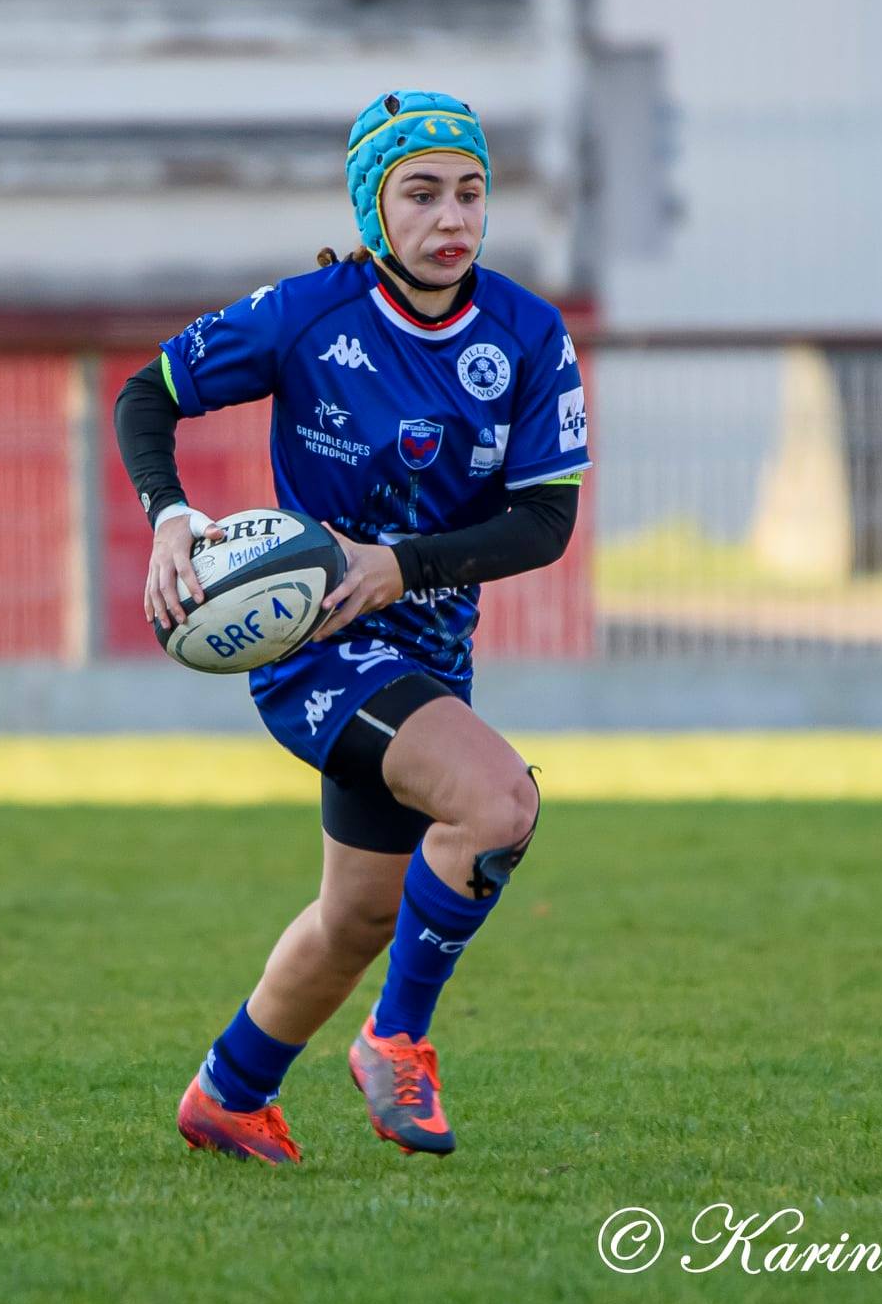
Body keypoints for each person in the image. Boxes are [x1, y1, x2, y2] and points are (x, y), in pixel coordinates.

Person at [112, 90, 590, 1163]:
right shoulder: (308, 315)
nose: (451, 217)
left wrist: (405, 568)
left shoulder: (526, 334)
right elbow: (148, 395)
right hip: (318, 650)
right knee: (498, 802)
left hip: (426, 656)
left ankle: (230, 1094)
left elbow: (546, 521)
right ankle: (396, 1040)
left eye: (470, 192)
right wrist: (171, 517)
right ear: (374, 209)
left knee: (361, 915)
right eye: (420, 193)